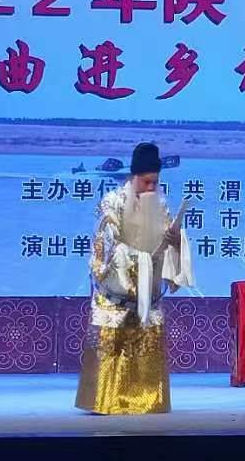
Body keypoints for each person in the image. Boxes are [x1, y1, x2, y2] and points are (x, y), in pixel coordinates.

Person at [75, 142, 193, 414]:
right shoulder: (112, 203)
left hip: (148, 293)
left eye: (155, 183)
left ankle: (146, 401)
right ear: (134, 176)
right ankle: (106, 402)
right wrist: (140, 259)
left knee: (146, 345)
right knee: (112, 345)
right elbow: (107, 247)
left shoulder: (159, 205)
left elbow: (168, 242)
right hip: (117, 293)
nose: (151, 188)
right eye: (146, 182)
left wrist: (176, 241)